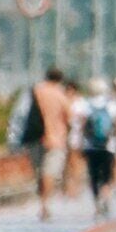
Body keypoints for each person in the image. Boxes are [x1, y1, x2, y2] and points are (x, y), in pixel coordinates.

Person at [28, 68, 76, 221]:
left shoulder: (35, 91)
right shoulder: (60, 95)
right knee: (49, 173)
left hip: (34, 137)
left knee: (38, 172)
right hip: (55, 140)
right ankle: (45, 204)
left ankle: (41, 200)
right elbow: (70, 118)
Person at [74, 76, 116, 218]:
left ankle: (97, 203)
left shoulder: (84, 104)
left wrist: (79, 143)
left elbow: (81, 126)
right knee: (107, 175)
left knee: (94, 175)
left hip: (90, 146)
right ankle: (106, 199)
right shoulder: (112, 104)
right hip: (108, 146)